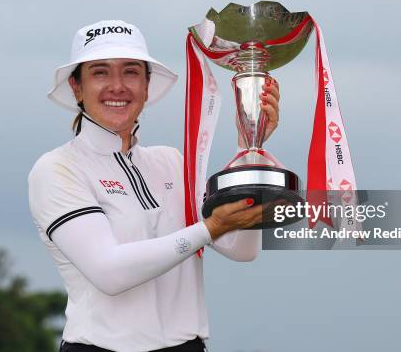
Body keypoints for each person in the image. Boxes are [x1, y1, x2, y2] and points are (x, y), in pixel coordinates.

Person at [28, 20, 280, 352]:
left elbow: (242, 249)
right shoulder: (58, 168)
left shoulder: (172, 161)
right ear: (77, 87)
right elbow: (110, 272)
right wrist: (211, 227)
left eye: (131, 72)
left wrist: (249, 148)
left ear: (147, 86)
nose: (117, 86)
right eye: (100, 72)